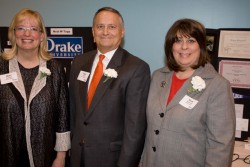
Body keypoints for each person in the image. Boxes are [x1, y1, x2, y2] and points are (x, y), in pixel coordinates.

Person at [140, 18, 235, 167]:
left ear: (201, 46)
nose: (184, 47)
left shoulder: (217, 86)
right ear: (171, 46)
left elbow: (221, 145)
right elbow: (149, 129)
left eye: (191, 41)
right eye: (178, 41)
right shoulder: (158, 76)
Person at [69, 7, 151, 167]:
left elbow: (135, 127)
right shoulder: (78, 62)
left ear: (122, 32)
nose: (105, 32)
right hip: (78, 156)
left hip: (111, 159)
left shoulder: (136, 68)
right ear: (93, 32)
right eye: (100, 26)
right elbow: (73, 110)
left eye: (112, 27)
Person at [0, 8, 70, 167]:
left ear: (42, 35)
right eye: (21, 28)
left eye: (33, 29)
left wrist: (61, 157)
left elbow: (62, 116)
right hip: (6, 155)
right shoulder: (1, 67)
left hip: (45, 156)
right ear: (13, 33)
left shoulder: (55, 69)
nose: (27, 34)